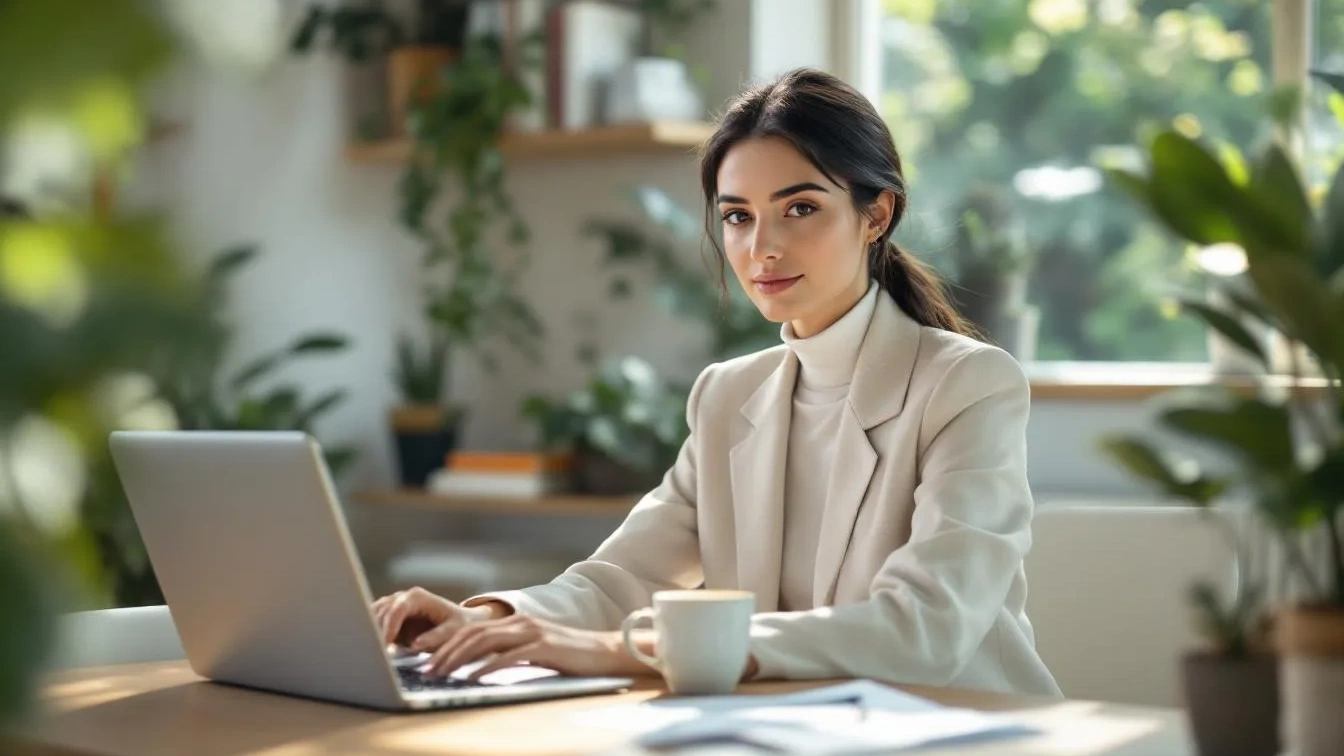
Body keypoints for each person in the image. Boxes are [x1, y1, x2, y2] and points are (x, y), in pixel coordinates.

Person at [374, 68, 1062, 697]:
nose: (762, 246)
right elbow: (626, 577)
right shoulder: (729, 394)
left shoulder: (968, 384)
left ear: (876, 214)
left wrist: (620, 652)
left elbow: (925, 627)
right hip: (798, 725)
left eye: (800, 209)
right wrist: (483, 619)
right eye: (737, 216)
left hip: (966, 726)